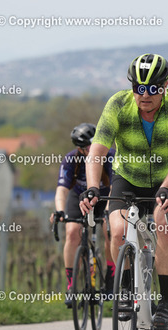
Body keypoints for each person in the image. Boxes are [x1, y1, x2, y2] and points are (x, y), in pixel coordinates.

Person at [79, 53, 168, 329]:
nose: (145, 95)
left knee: (164, 225)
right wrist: (93, 187)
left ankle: (165, 302)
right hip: (128, 176)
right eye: (139, 88)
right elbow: (97, 152)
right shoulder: (118, 104)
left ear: (164, 86)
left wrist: (166, 188)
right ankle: (126, 289)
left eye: (153, 88)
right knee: (118, 229)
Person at [50, 123, 115, 307]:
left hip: (105, 197)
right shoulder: (71, 159)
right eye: (88, 147)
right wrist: (60, 210)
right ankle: (71, 285)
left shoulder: (110, 156)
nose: (93, 149)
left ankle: (111, 279)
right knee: (72, 233)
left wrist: (108, 210)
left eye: (95, 144)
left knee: (110, 230)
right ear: (79, 149)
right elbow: (62, 189)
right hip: (80, 197)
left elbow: (115, 187)